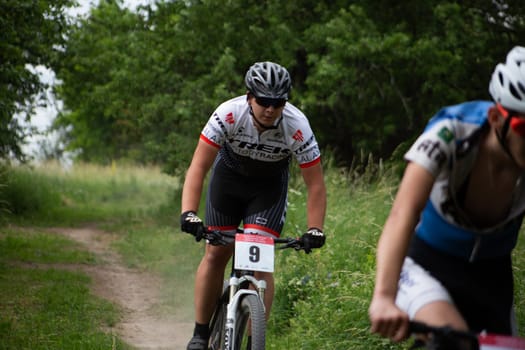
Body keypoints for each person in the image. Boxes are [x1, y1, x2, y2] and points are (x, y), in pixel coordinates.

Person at [369, 45, 525, 342]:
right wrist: (384, 297)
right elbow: (403, 212)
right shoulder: (450, 132)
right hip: (427, 265)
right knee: (457, 343)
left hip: (492, 276)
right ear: (495, 118)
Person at [180, 61, 327, 350]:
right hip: (228, 181)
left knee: (260, 262)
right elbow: (198, 167)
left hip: (267, 189)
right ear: (249, 97)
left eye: (278, 102)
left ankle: (254, 342)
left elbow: (316, 185)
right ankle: (199, 333)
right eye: (263, 101)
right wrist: (189, 213)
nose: (270, 109)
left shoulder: (297, 126)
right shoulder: (228, 114)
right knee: (216, 253)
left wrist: (315, 229)